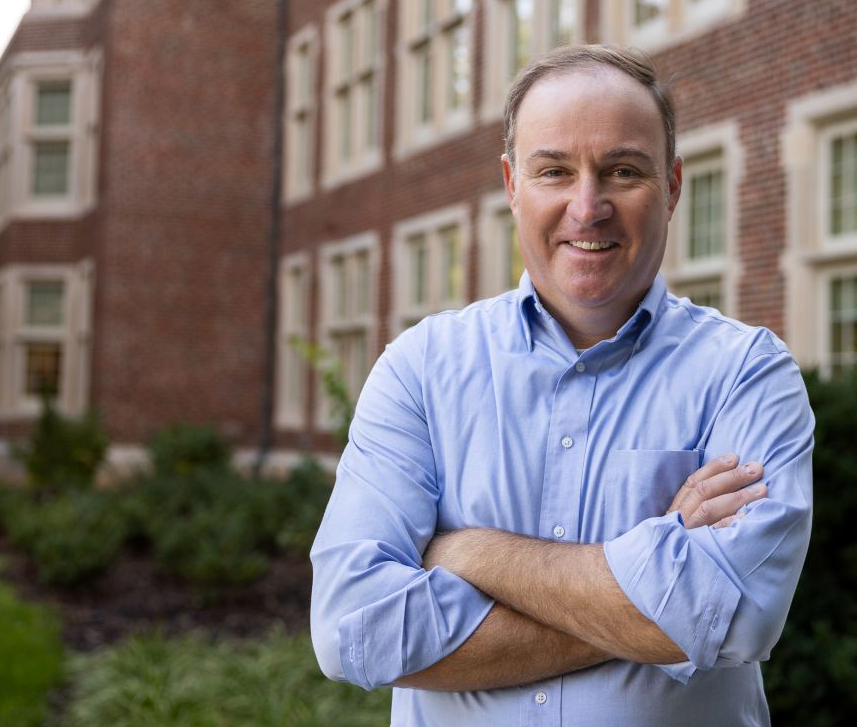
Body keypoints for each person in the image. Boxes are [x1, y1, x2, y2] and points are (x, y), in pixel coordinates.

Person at [310, 44, 814, 726]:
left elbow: (734, 619)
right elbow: (353, 630)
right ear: (513, 183)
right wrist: (653, 579)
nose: (588, 207)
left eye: (623, 171)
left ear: (671, 187)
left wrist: (472, 552)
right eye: (555, 171)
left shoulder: (747, 374)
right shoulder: (420, 370)